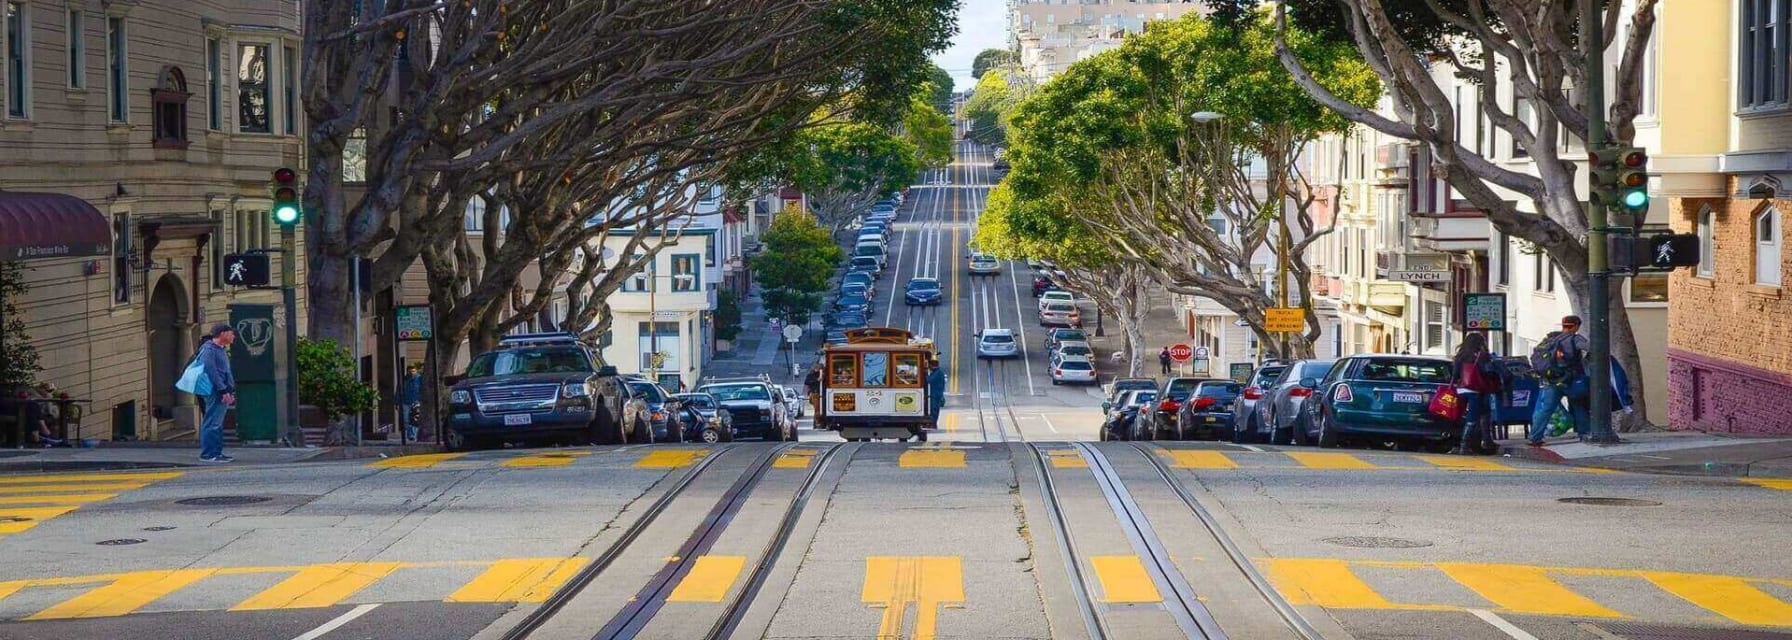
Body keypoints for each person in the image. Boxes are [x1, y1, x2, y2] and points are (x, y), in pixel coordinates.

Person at [1527, 315, 1590, 446]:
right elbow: (1590, 348)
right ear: (1577, 326)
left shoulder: (1551, 338)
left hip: (1552, 380)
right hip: (1570, 380)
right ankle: (1585, 433)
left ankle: (1534, 437)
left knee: (1546, 409)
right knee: (1579, 405)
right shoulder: (1576, 339)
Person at [1450, 333, 1501, 455]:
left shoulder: (1460, 356)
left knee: (1477, 414)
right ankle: (1466, 445)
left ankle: (1480, 442)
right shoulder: (1481, 356)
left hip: (1462, 389)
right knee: (1476, 417)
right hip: (1477, 389)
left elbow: (1455, 374)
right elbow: (1488, 372)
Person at [197, 324, 238, 463]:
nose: (234, 336)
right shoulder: (209, 350)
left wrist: (229, 389)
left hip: (222, 390)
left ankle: (217, 452)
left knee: (217, 423)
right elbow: (211, 372)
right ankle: (209, 453)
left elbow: (225, 372)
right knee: (212, 422)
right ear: (223, 334)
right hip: (215, 391)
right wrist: (223, 389)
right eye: (231, 333)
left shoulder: (220, 349)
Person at [396, 364, 424, 442]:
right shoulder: (403, 380)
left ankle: (412, 435)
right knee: (406, 419)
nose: (412, 373)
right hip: (405, 401)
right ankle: (409, 434)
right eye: (410, 371)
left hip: (416, 401)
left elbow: (423, 389)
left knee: (415, 419)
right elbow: (399, 391)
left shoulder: (420, 379)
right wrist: (397, 402)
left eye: (413, 371)